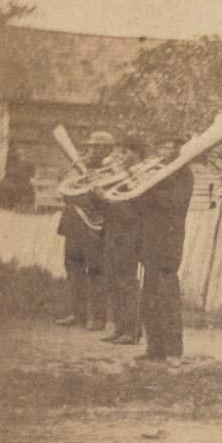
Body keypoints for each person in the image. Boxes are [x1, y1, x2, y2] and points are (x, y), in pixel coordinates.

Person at [136, 136, 195, 362]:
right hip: (149, 241)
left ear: (179, 152)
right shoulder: (157, 175)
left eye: (169, 148)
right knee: (149, 297)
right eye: (161, 147)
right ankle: (154, 348)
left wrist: (149, 186)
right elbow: (140, 206)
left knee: (167, 297)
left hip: (169, 244)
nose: (164, 152)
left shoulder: (184, 175)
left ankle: (173, 351)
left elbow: (173, 203)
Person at [55, 131, 113, 331]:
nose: (92, 150)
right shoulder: (80, 168)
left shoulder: (112, 170)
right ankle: (77, 313)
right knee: (73, 267)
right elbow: (64, 192)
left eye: (97, 147)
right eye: (91, 146)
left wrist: (85, 191)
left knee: (96, 270)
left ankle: (98, 317)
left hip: (94, 227)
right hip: (73, 224)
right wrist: (73, 177)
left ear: (108, 149)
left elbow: (100, 200)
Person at [98, 141, 144, 344]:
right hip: (112, 234)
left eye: (124, 152)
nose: (118, 156)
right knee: (112, 282)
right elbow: (105, 207)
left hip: (129, 236)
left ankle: (131, 331)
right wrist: (97, 195)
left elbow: (132, 213)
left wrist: (107, 199)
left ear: (137, 154)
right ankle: (119, 327)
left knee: (126, 283)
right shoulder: (116, 178)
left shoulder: (139, 178)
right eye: (117, 152)